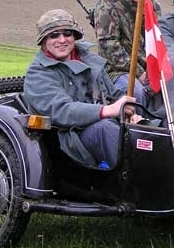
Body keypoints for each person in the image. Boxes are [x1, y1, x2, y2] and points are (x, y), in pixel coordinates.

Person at [23, 9, 142, 169]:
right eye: (54, 35)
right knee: (105, 130)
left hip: (108, 124)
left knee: (151, 130)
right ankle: (138, 177)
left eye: (67, 33)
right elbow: (62, 110)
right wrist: (106, 110)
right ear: (44, 41)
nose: (62, 40)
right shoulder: (38, 74)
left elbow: (112, 94)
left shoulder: (89, 60)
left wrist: (129, 112)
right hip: (70, 138)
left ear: (74, 36)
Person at [93, 0, 161, 106]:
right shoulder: (110, 2)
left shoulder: (154, 8)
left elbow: (157, 43)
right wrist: (139, 73)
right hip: (115, 71)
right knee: (136, 93)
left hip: (147, 70)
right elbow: (108, 46)